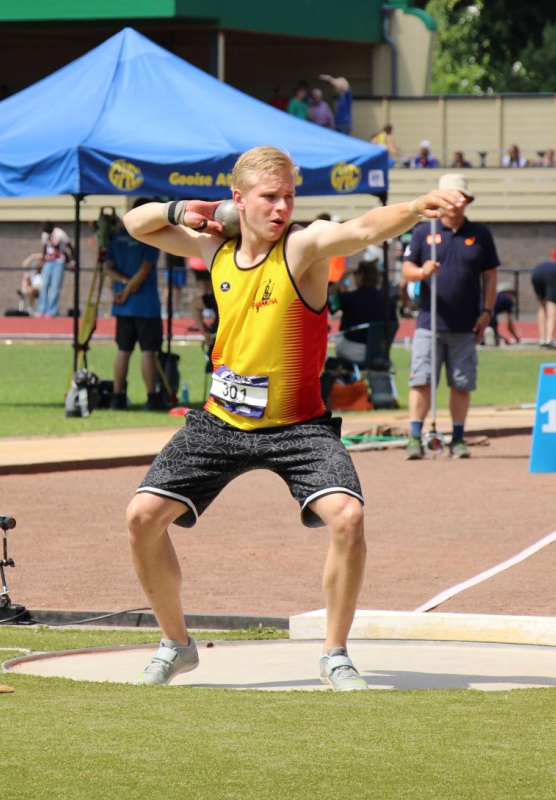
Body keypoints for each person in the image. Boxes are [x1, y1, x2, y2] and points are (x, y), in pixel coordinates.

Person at [122, 146, 461, 690]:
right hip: (220, 421)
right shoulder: (215, 247)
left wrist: (418, 207)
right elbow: (135, 223)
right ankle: (176, 644)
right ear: (238, 200)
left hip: (298, 425)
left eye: (289, 197)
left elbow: (362, 228)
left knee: (347, 518)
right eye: (269, 197)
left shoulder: (302, 248)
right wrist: (181, 209)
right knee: (142, 518)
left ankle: (334, 654)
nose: (282, 208)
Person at [402, 171, 499, 459]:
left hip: (465, 323)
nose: (454, 203)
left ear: (467, 201)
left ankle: (458, 437)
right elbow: (407, 269)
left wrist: (487, 311)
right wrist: (422, 272)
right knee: (421, 379)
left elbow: (490, 276)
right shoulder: (423, 232)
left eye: (460, 198)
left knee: (461, 382)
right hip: (430, 322)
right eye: (449, 197)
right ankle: (415, 436)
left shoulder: (480, 234)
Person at [104, 202, 163, 410]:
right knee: (148, 351)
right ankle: (152, 397)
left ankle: (117, 397)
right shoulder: (150, 238)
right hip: (146, 305)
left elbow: (107, 267)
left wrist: (123, 286)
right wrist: (129, 289)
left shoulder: (117, 237)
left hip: (124, 306)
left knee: (123, 350)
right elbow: (145, 269)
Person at [334, 259, 397, 366]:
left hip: (352, 350)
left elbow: (328, 302)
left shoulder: (350, 298)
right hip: (379, 352)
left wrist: (342, 279)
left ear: (360, 276)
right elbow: (393, 325)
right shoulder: (388, 301)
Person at [37, 224, 72, 317]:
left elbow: (69, 245)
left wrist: (72, 260)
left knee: (55, 287)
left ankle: (51, 311)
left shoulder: (59, 233)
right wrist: (42, 260)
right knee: (44, 286)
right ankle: (42, 310)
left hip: (59, 262)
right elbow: (44, 248)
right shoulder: (44, 235)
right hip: (48, 262)